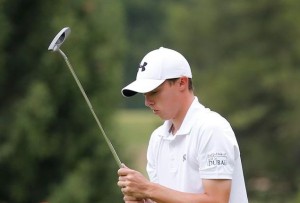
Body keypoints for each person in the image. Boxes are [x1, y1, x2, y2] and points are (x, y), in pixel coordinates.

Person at [117, 47, 248, 203]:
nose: (147, 102)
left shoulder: (212, 128)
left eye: (154, 92)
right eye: (145, 94)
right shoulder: (157, 138)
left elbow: (217, 200)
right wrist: (143, 200)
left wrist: (147, 189)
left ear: (182, 83)